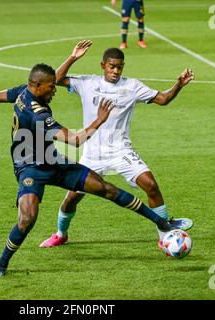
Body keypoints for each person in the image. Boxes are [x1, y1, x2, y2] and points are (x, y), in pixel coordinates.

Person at [0, 62, 186, 277]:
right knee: (27, 218)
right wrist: (99, 120)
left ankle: (161, 222)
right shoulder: (37, 113)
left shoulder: (22, 91)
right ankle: (1, 263)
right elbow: (76, 140)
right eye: (51, 87)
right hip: (29, 168)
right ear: (38, 86)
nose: (54, 90)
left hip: (53, 161)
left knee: (105, 188)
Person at [39, 41, 194, 250]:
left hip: (121, 152)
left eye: (120, 67)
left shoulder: (132, 87)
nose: (116, 71)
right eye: (112, 66)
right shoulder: (87, 83)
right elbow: (55, 80)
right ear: (103, 65)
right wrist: (73, 57)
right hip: (92, 155)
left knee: (151, 185)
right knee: (71, 200)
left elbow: (163, 99)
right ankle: (60, 234)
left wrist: (178, 85)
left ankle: (164, 235)